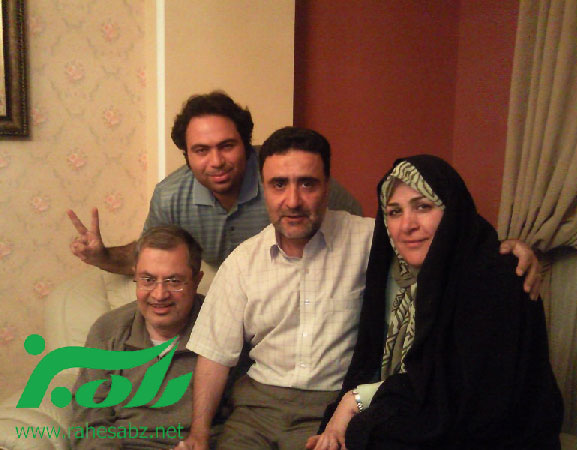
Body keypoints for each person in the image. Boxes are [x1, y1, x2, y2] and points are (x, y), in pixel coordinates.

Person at [178, 128, 543, 450]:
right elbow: (215, 355)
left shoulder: (374, 241)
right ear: (263, 189)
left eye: (307, 183)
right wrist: (199, 434)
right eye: (279, 184)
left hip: (328, 403)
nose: (293, 200)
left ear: (327, 187)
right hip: (255, 408)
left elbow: (452, 242)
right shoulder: (242, 261)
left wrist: (506, 248)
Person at [308, 155, 563, 450]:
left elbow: (469, 395)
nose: (407, 225)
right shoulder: (392, 274)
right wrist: (343, 414)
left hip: (485, 429)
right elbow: (369, 363)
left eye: (423, 207)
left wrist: (357, 401)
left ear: (451, 210)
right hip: (418, 407)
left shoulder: (496, 274)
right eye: (394, 211)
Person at [67, 91, 362, 274]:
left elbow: (353, 229)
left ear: (246, 144)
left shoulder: (285, 174)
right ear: (186, 155)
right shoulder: (171, 196)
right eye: (201, 150)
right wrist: (103, 256)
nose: (216, 161)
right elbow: (147, 258)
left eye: (227, 146)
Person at [70, 225, 210, 449]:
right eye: (148, 280)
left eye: (174, 281)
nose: (159, 294)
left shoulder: (222, 328)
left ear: (196, 280)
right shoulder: (108, 330)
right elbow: (89, 418)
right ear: (135, 276)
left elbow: (244, 417)